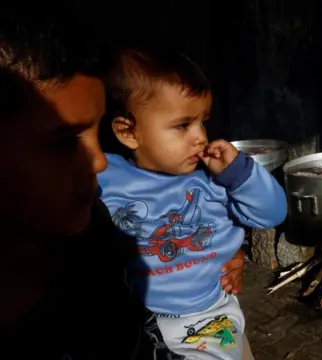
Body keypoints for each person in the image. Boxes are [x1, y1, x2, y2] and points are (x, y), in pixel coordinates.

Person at [0, 8, 246, 359]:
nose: (99, 161)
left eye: (94, 133)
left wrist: (218, 253)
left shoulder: (95, 245)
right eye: (62, 142)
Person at [97, 47, 287, 359]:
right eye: (183, 125)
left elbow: (272, 213)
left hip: (209, 318)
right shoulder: (104, 176)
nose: (200, 136)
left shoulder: (213, 183)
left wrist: (239, 173)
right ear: (128, 132)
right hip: (137, 323)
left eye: (203, 121)